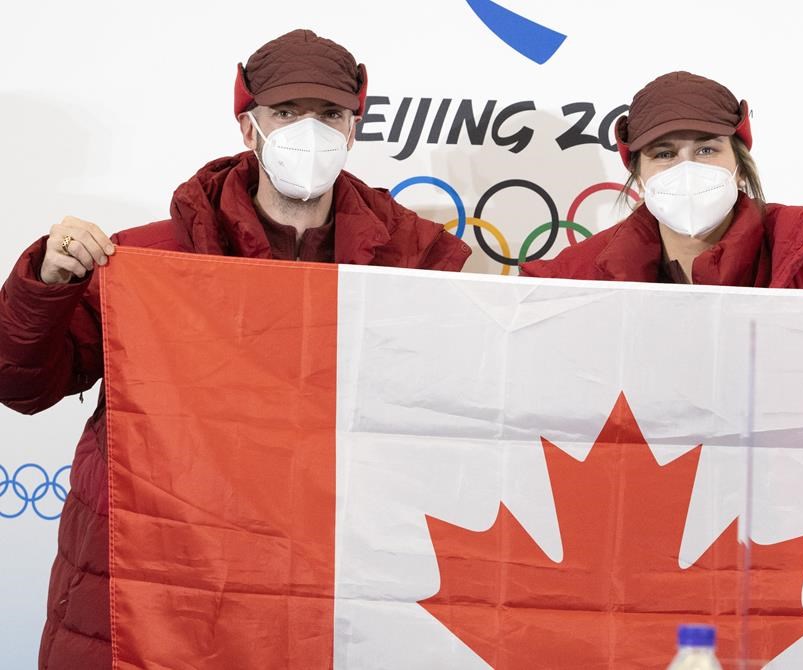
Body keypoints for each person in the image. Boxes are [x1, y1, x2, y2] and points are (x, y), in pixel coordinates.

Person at [0, 29, 470, 669]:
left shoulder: (418, 267)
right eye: (286, 112)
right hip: (163, 580)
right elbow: (23, 386)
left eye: (330, 114)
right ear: (249, 125)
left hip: (336, 582)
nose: (310, 131)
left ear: (354, 125)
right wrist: (49, 282)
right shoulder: (148, 259)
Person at [520, 71, 803, 289]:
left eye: (706, 150)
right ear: (637, 174)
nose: (687, 168)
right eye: (664, 154)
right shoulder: (573, 283)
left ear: (739, 166)